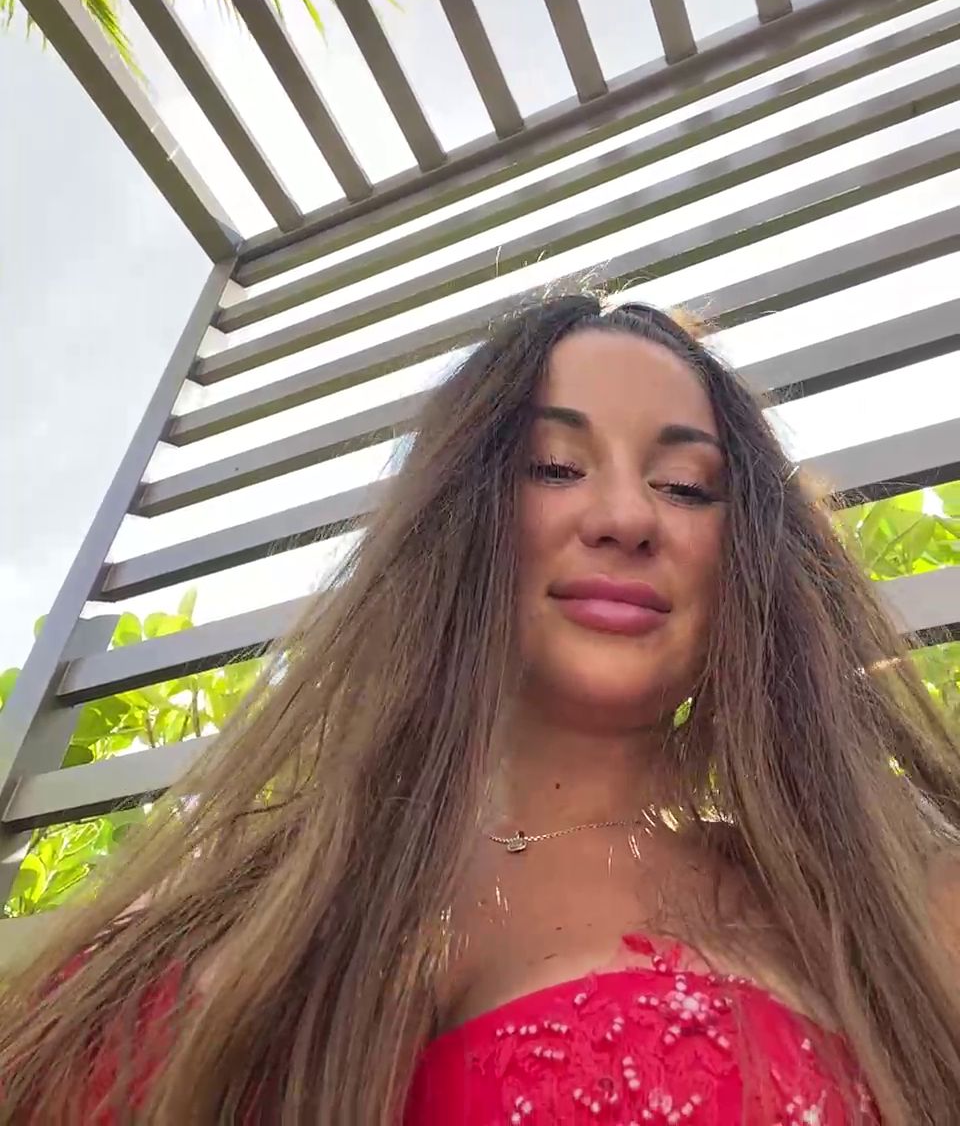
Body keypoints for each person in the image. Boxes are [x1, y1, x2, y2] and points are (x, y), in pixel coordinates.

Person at [0, 294, 958, 1124]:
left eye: (684, 487)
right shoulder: (247, 912)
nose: (627, 517)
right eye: (554, 467)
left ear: (746, 561)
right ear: (455, 525)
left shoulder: (881, 904)